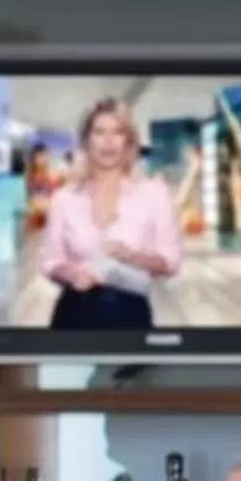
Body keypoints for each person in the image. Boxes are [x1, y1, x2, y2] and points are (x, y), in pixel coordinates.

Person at [39, 97, 183, 331]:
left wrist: (132, 256)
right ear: (86, 140)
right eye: (99, 132)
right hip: (74, 314)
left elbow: (171, 262)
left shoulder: (154, 194)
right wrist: (73, 275)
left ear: (129, 142)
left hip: (129, 315)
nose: (108, 141)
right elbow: (51, 262)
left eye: (118, 132)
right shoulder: (64, 199)